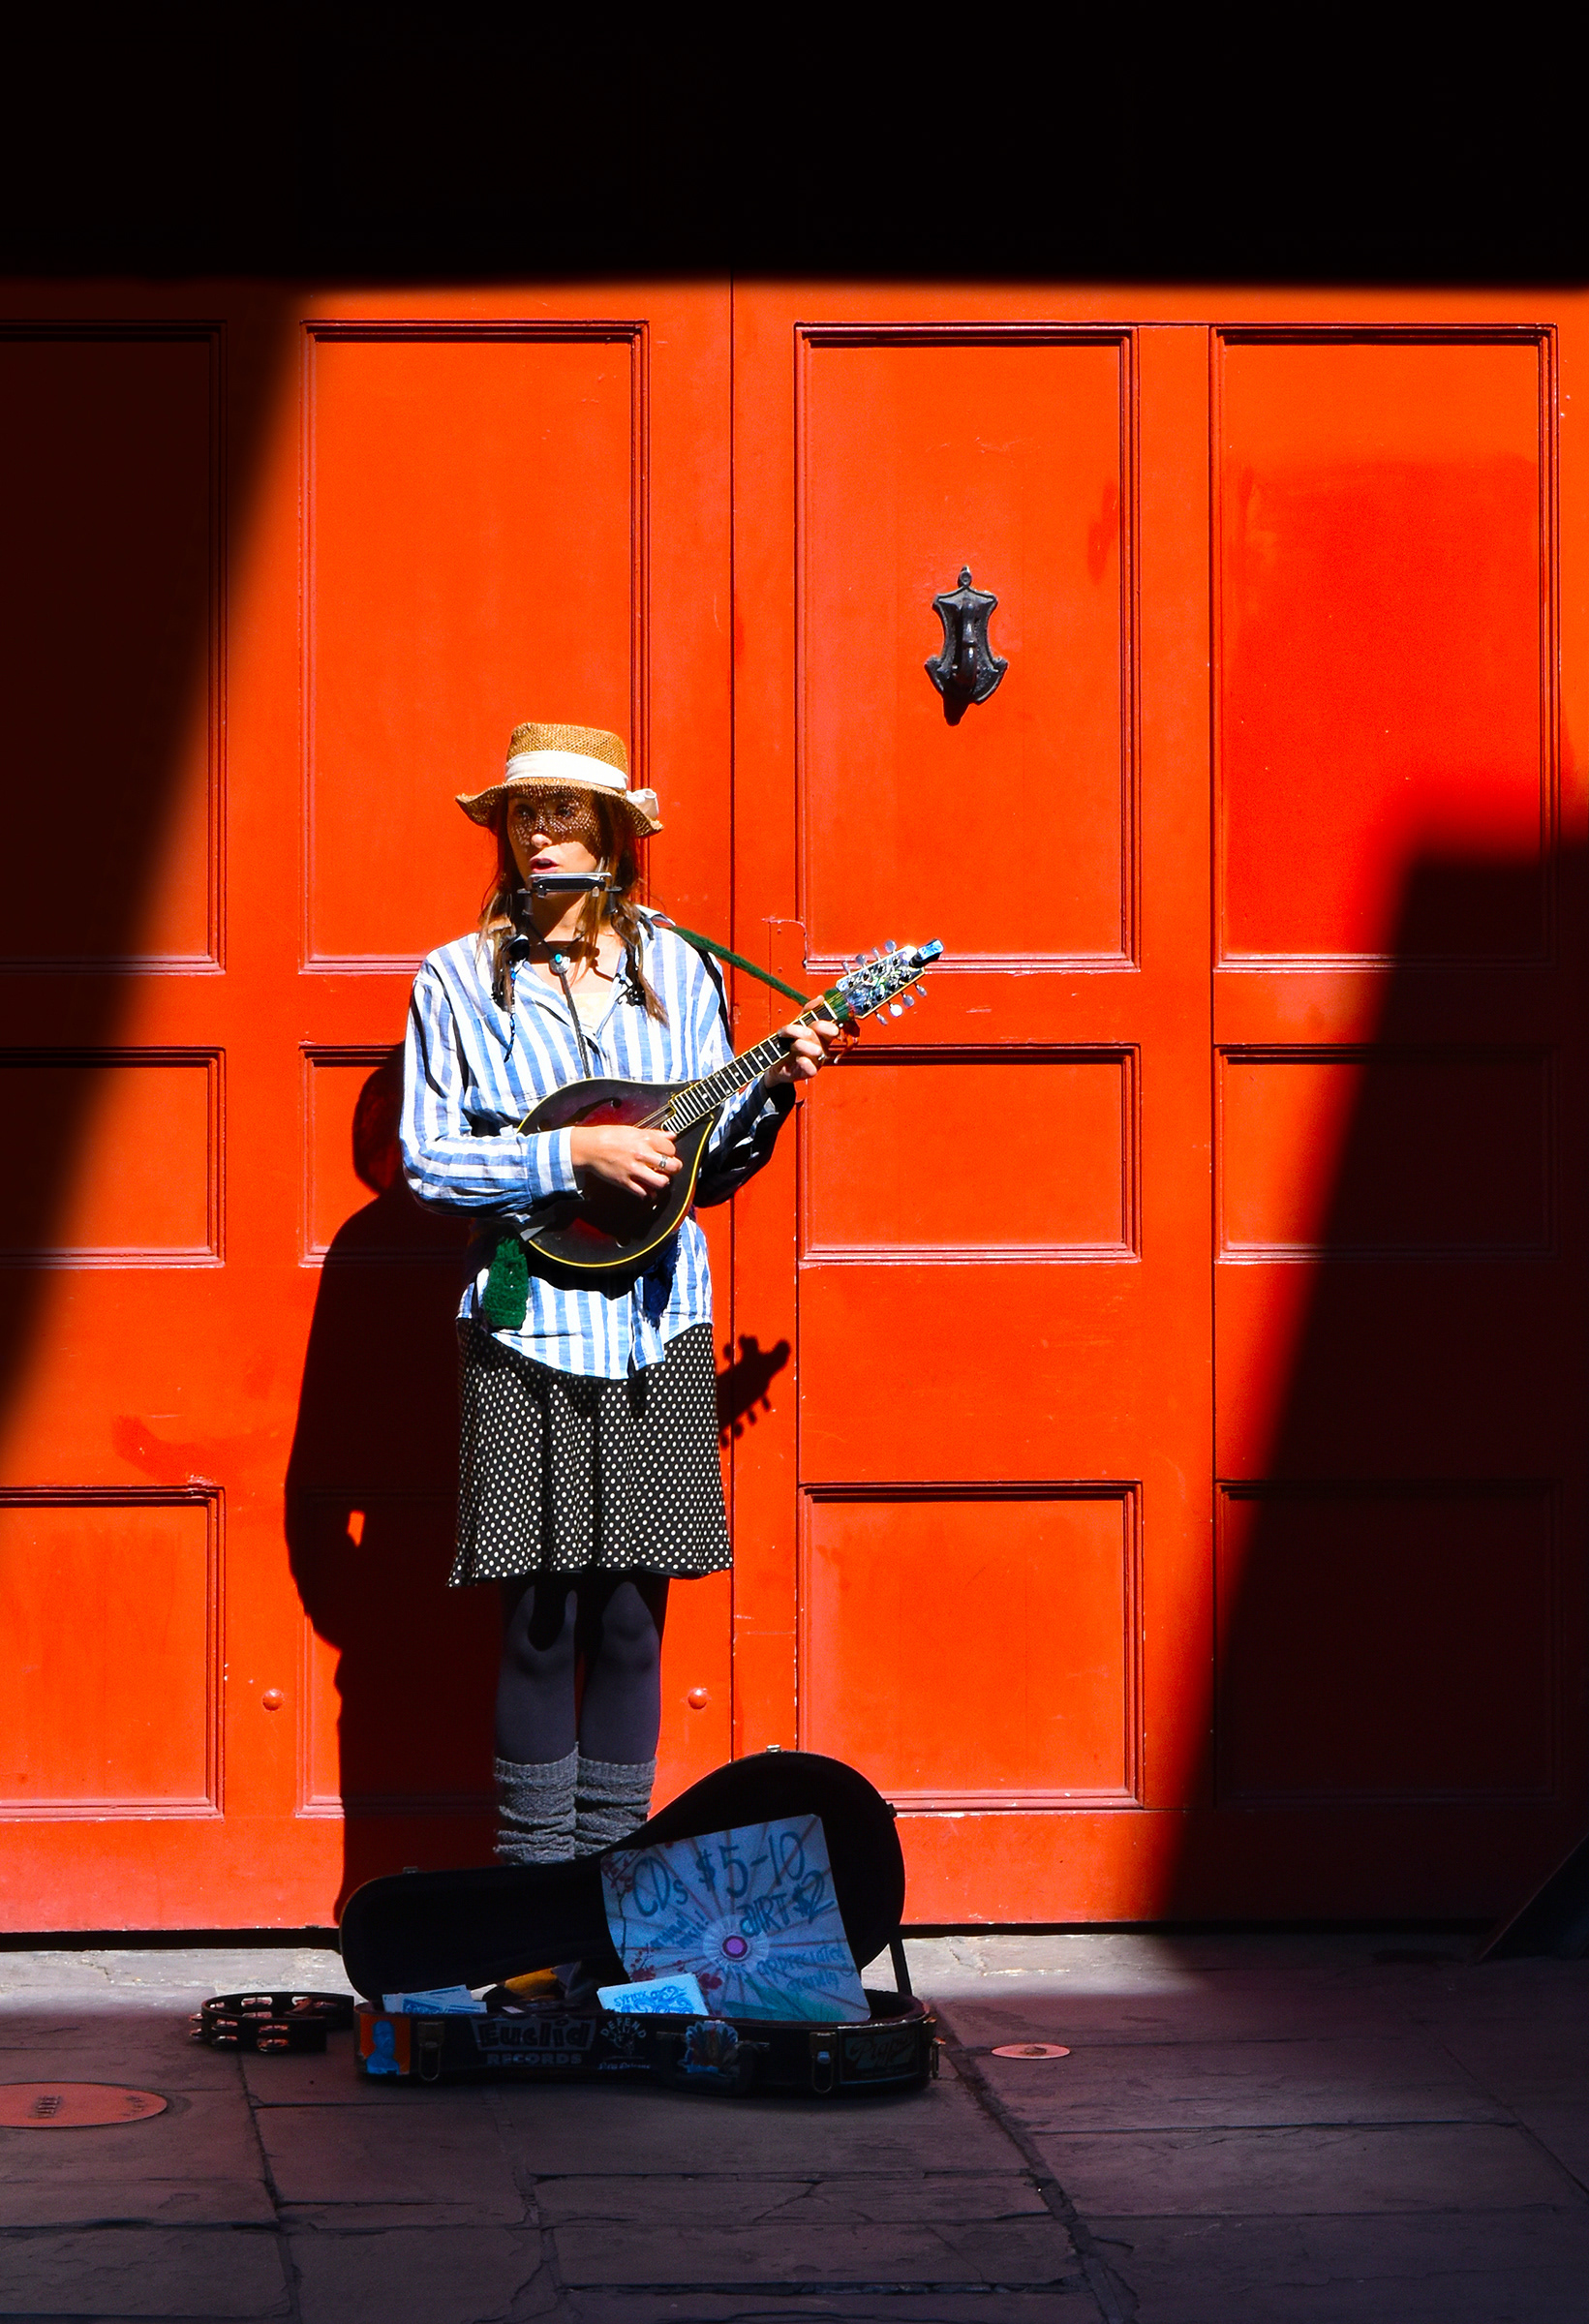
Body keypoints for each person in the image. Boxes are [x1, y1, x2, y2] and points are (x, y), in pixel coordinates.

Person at [400, 721, 837, 1865]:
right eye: (524, 813)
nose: (540, 835)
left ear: (612, 835)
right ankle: (536, 1900)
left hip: (655, 1324)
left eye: (566, 813)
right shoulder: (455, 979)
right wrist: (573, 1155)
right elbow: (428, 1161)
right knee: (539, 1618)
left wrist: (776, 1089)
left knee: (634, 1618)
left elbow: (707, 1170)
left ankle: (614, 1892)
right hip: (526, 1321)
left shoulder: (680, 971)